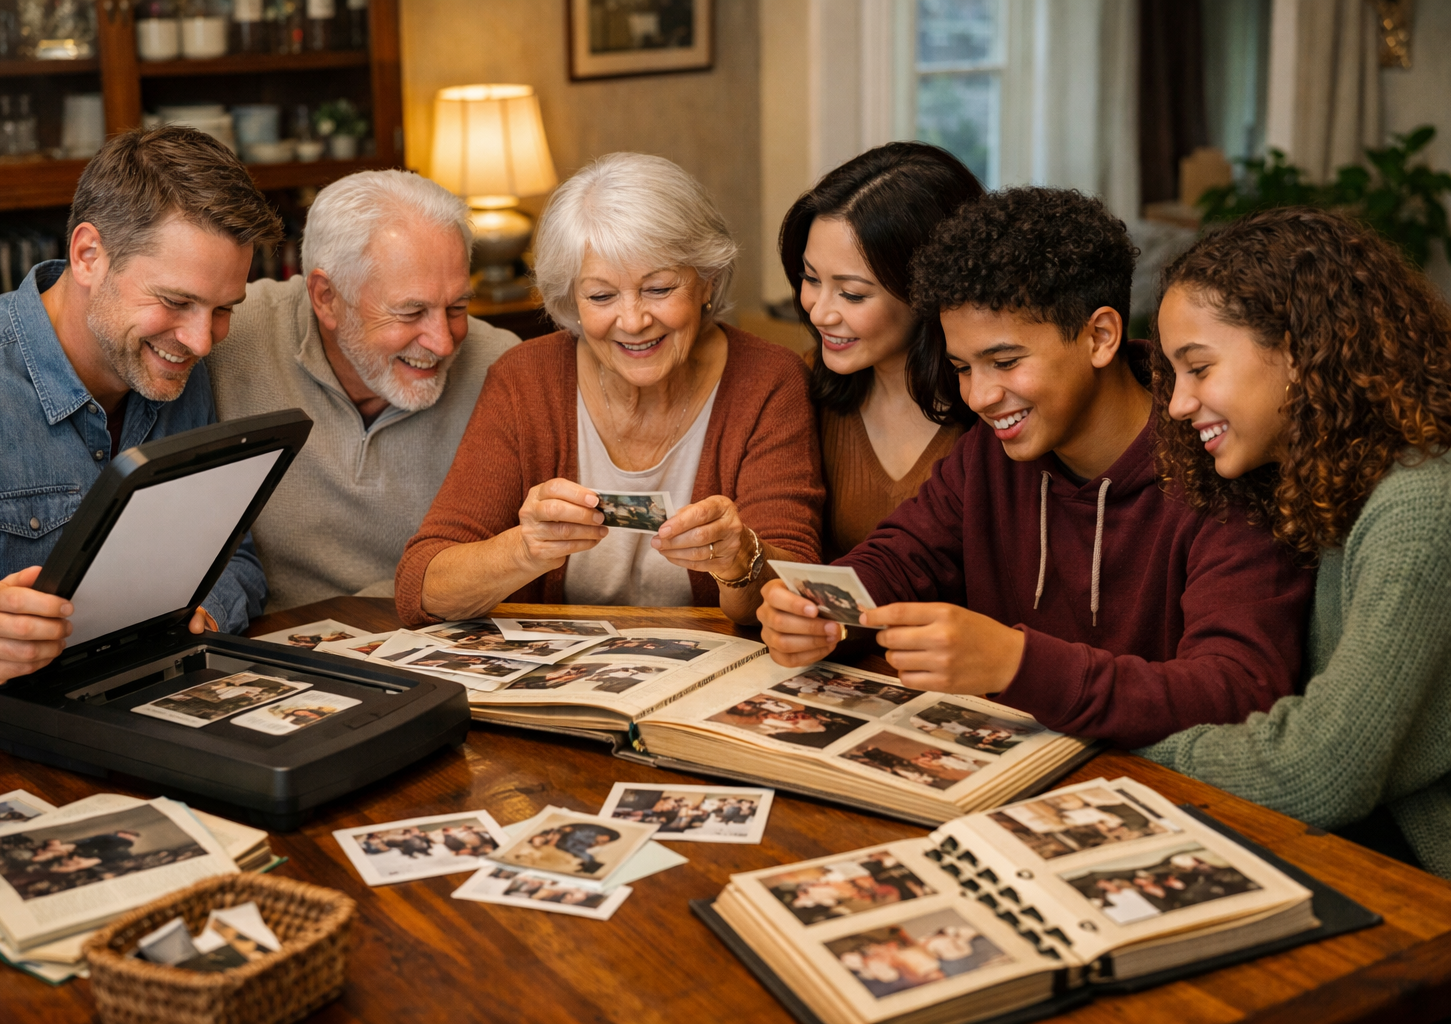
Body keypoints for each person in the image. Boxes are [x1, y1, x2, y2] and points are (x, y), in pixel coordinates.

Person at [755, 187, 1314, 750]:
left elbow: (1239, 690)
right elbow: (898, 560)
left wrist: (1016, 665)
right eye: (962, 368)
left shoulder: (1221, 460)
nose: (979, 396)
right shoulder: (988, 455)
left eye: (1004, 362)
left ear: (1100, 337)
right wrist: (815, 610)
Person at [1137, 207, 1451, 877]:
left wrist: (1133, 751)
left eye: (1199, 369)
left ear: (1303, 350)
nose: (1177, 405)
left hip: (1419, 877)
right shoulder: (1333, 481)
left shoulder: (1422, 505)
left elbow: (1325, 770)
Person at [0, 126, 279, 696]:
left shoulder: (178, 360)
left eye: (224, 308)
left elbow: (236, 562)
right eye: (176, 301)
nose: (203, 341)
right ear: (88, 255)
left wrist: (202, 613)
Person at [396, 153, 823, 625]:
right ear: (571, 300)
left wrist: (740, 559)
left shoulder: (768, 380)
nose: (634, 321)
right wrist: (524, 548)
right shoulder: (524, 380)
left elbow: (798, 592)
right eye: (600, 296)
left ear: (708, 280)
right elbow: (421, 588)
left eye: (659, 289)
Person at [207, 170, 519, 610]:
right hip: (272, 646)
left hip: (438, 640)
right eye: (411, 312)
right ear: (326, 298)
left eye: (457, 307)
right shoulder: (223, 338)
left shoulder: (506, 370)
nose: (443, 342)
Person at [781, 142, 984, 559]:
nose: (820, 313)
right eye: (811, 278)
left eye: (852, 294)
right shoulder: (800, 389)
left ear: (928, 292)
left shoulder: (993, 406)